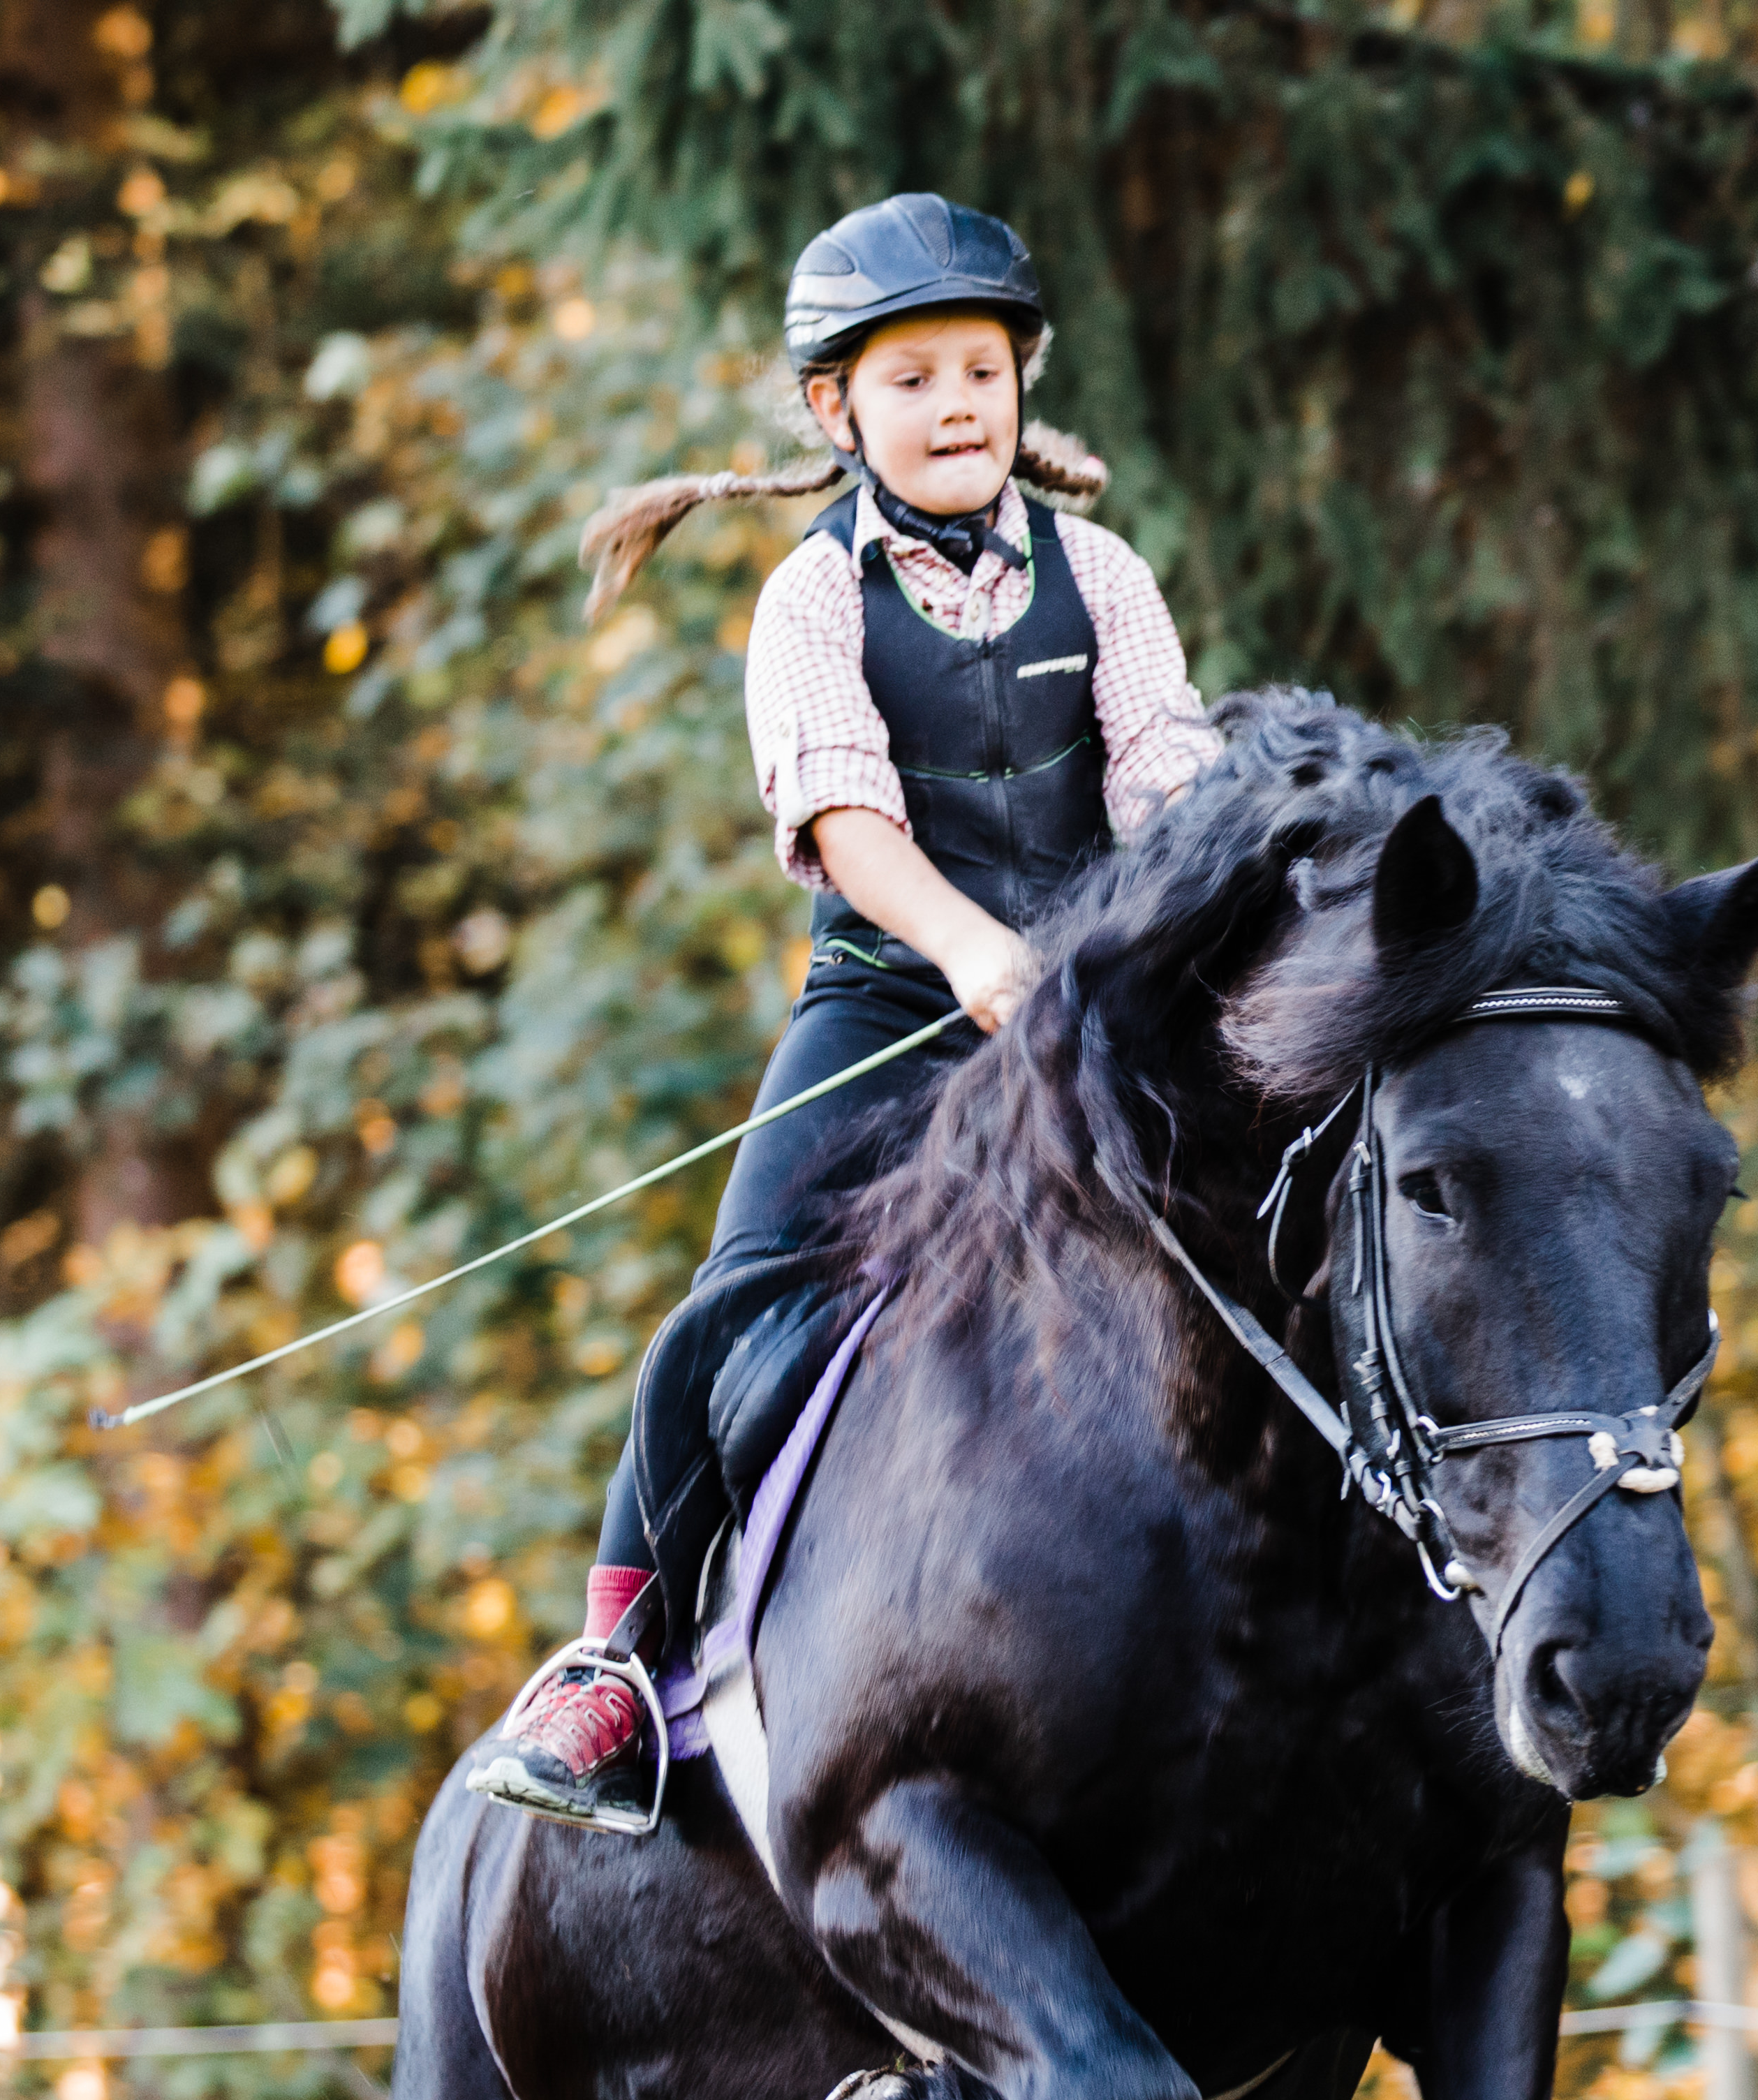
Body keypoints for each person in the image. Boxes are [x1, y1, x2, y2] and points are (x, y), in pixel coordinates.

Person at [457, 193, 1221, 1831]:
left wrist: (1185, 911)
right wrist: (968, 950)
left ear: (1022, 385)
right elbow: (851, 826)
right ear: (836, 410)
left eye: (981, 371)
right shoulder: (810, 601)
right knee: (730, 1302)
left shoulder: (1106, 574)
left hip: (1090, 1001)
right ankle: (613, 1670)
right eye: (913, 380)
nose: (957, 406)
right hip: (896, 1001)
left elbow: (1165, 773)